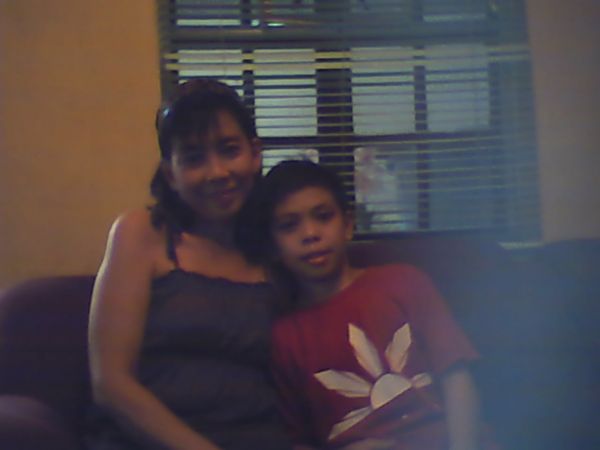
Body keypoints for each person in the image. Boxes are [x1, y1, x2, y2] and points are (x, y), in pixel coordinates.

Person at [85, 79, 292, 450]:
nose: (217, 172)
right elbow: (111, 384)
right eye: (194, 158)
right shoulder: (141, 234)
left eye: (229, 150)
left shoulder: (277, 248)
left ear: (255, 153)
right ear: (171, 174)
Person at [236, 159, 499, 450]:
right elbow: (298, 439)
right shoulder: (286, 337)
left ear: (348, 225)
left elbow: (456, 377)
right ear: (273, 245)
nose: (310, 233)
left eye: (323, 217)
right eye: (289, 226)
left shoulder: (403, 281)